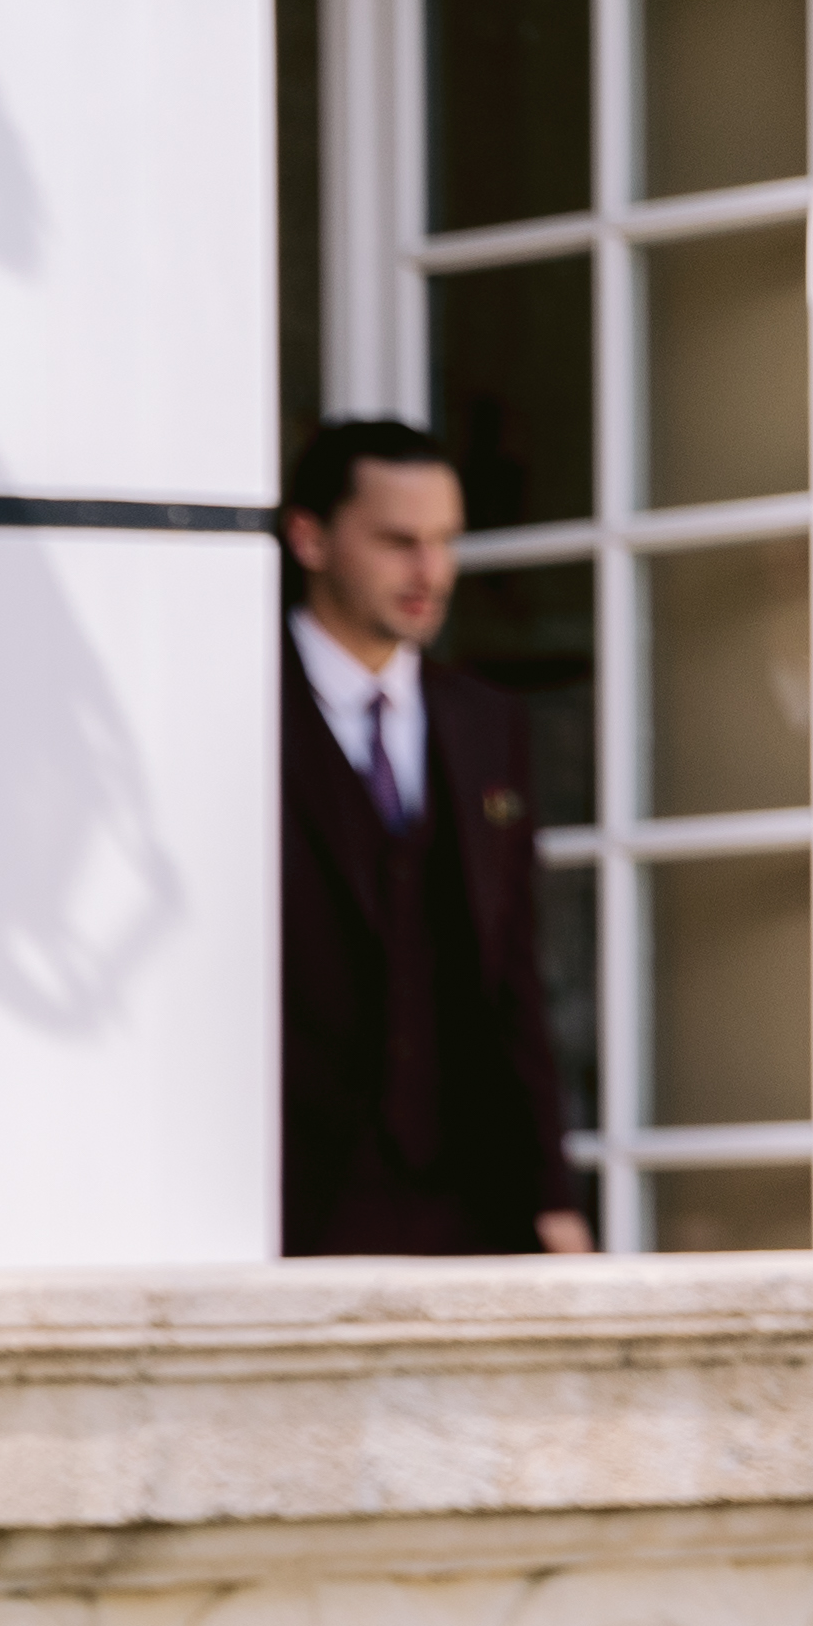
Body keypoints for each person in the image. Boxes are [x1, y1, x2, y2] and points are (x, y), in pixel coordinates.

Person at [276, 418, 590, 1256]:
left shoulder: (487, 724)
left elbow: (516, 977)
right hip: (292, 1208)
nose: (431, 573)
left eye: (445, 542)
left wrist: (552, 1200)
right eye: (398, 542)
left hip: (469, 1210)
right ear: (308, 537)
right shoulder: (240, 705)